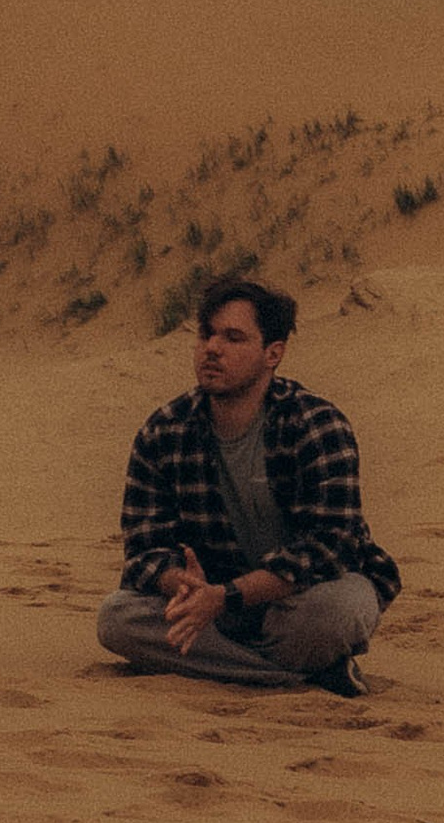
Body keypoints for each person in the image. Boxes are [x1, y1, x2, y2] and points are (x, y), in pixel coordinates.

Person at [95, 277, 399, 699]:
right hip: (215, 604)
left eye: (233, 337)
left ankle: (232, 664)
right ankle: (299, 675)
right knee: (117, 619)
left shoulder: (316, 424)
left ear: (273, 353)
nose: (212, 348)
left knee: (334, 614)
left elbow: (331, 547)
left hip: (302, 596)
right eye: (206, 334)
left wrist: (228, 595)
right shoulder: (165, 430)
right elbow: (144, 548)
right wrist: (183, 585)